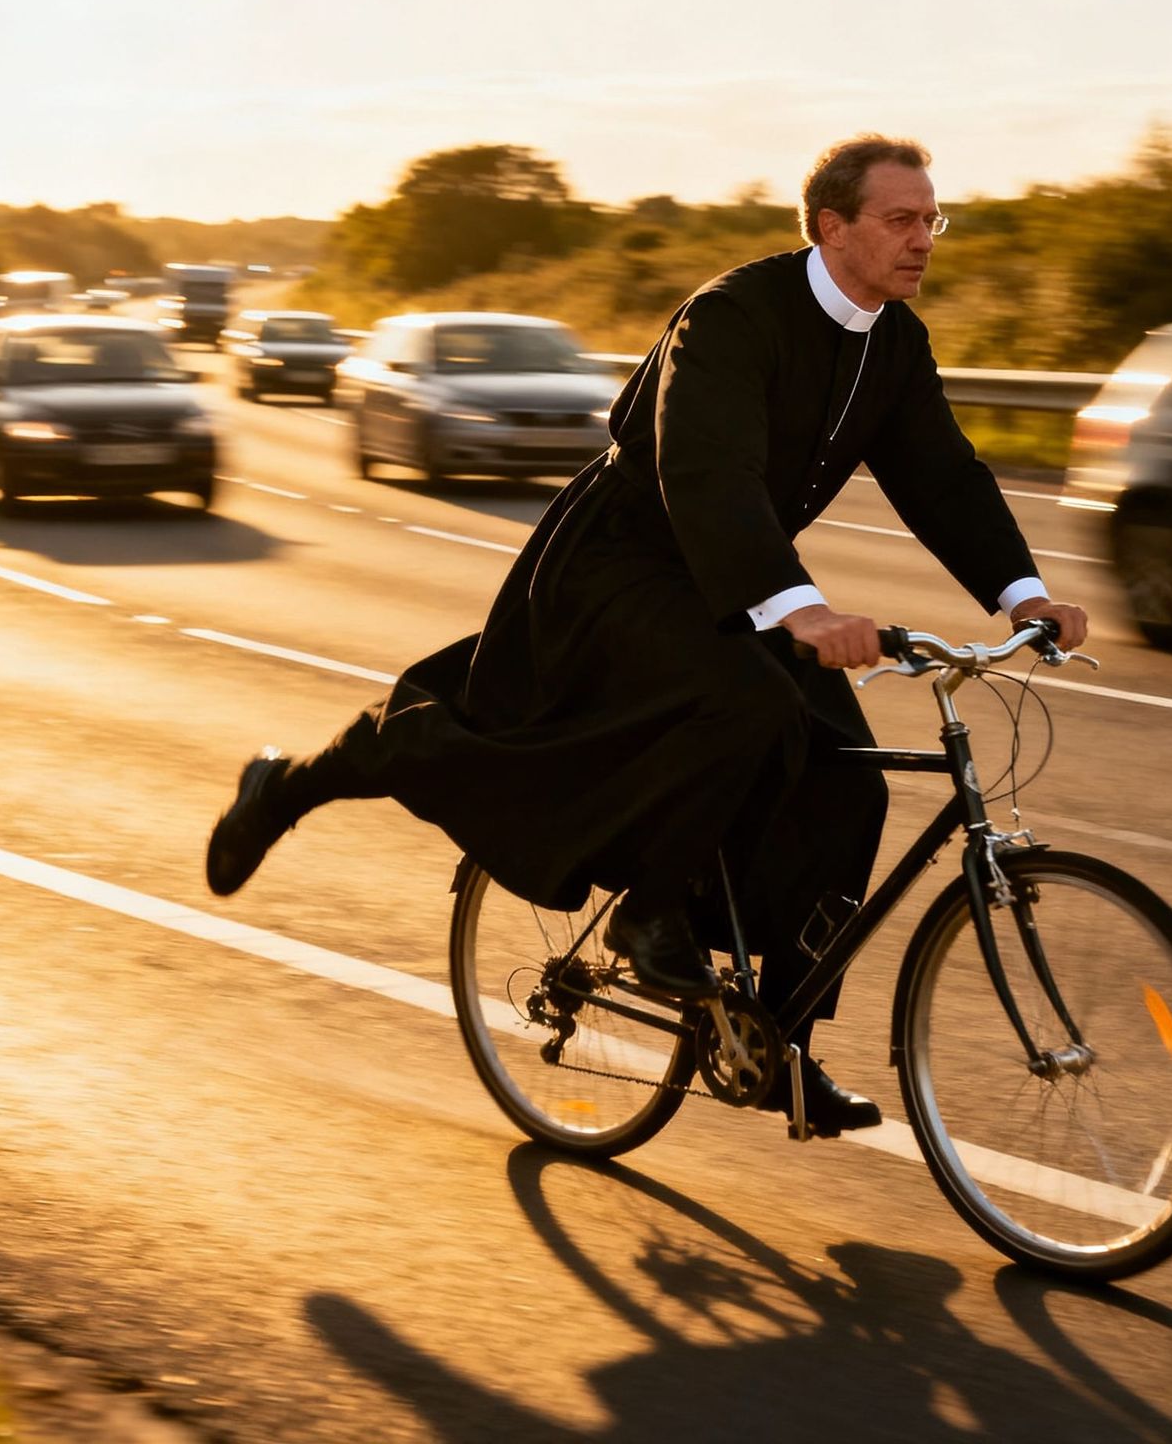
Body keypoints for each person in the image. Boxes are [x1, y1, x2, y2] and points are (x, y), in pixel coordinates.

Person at [206, 133, 1088, 1136]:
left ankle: (776, 1042)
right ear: (830, 227)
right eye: (901, 217)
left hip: (736, 580)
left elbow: (942, 476)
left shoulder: (893, 342)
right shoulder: (731, 317)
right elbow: (703, 472)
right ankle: (624, 904)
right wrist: (798, 609)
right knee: (732, 707)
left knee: (846, 774)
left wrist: (1023, 593)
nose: (923, 237)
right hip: (618, 566)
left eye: (933, 218)